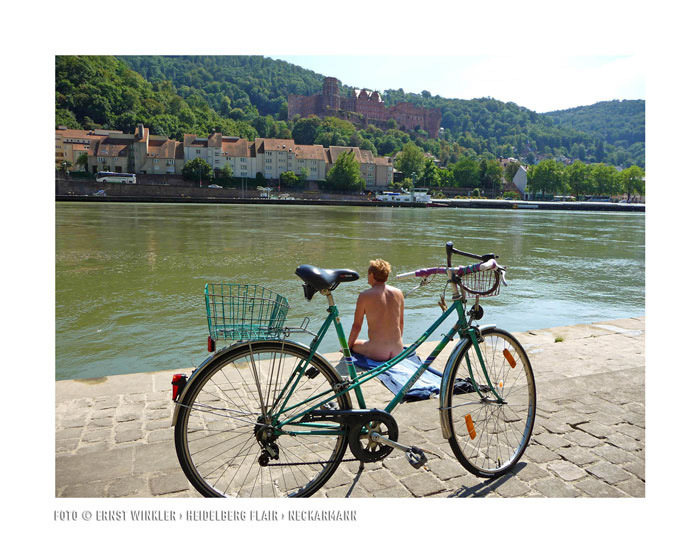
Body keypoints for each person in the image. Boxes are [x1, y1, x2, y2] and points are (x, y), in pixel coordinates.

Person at [348, 259, 405, 362]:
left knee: (354, 344)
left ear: (371, 275)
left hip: (378, 353)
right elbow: (401, 322)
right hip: (398, 350)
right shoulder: (398, 293)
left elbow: (357, 326)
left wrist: (347, 348)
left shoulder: (364, 296)